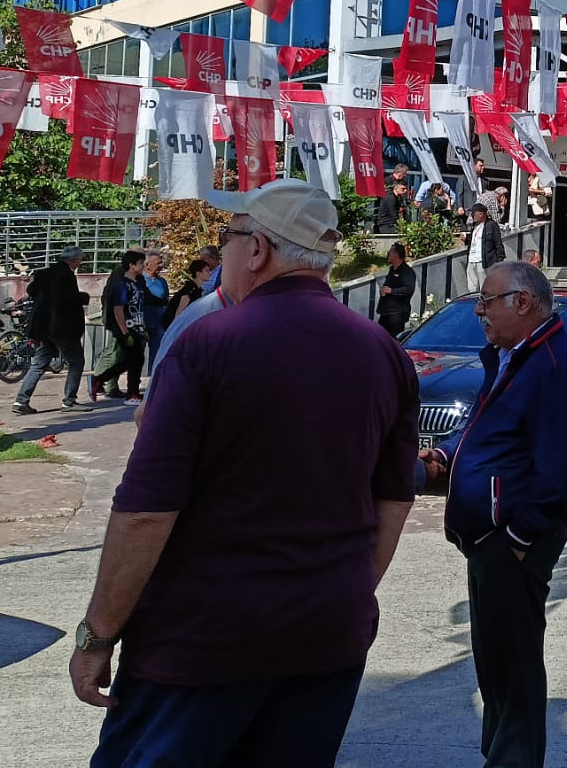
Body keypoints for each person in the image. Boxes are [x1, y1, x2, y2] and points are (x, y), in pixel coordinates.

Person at [71, 180, 416, 766]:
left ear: (257, 250)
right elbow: (394, 500)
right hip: (326, 635)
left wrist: (98, 634)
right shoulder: (383, 350)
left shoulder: (210, 342)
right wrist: (342, 591)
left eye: (227, 238)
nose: (220, 252)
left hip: (202, 645)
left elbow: (147, 510)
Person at [418, 261, 567, 768]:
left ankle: (512, 760)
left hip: (511, 541)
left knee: (513, 666)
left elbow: (558, 473)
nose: (479, 310)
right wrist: (446, 455)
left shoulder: (556, 366)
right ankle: (498, 755)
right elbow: (480, 427)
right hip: (487, 537)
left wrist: (517, 539)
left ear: (523, 303)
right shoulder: (509, 356)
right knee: (493, 660)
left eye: (487, 300)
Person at [15, 247, 90, 413]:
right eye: (79, 260)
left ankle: (21, 401)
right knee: (76, 362)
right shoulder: (66, 275)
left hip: (44, 327)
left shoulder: (44, 273)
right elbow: (69, 299)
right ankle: (69, 401)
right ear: (74, 260)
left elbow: (31, 291)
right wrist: (84, 297)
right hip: (62, 328)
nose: (80, 263)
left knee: (39, 363)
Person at [90, 251, 149, 405]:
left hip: (137, 326)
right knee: (134, 360)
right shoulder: (123, 284)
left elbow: (139, 306)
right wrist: (125, 332)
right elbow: (118, 309)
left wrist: (143, 328)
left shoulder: (138, 282)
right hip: (127, 328)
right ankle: (132, 393)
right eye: (141, 263)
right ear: (131, 265)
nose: (144, 266)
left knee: (132, 361)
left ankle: (100, 380)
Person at [463, 203, 505, 297]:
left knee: (484, 288)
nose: (472, 216)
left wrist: (499, 261)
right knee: (472, 288)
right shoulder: (474, 226)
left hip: (484, 261)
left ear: (481, 214)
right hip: (471, 260)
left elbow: (498, 243)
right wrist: (466, 239)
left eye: (474, 213)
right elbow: (474, 241)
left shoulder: (491, 225)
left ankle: (485, 305)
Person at [139, 252, 171, 375]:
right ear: (147, 264)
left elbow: (166, 300)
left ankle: (155, 375)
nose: (161, 265)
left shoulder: (162, 281)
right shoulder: (140, 279)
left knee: (158, 350)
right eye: (158, 263)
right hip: (143, 321)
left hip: (159, 322)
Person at [377, 242, 416, 338]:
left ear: (396, 255)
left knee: (394, 340)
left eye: (390, 253)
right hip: (386, 312)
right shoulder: (392, 270)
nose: (388, 255)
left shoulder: (406, 272)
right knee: (380, 337)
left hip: (397, 314)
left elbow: (409, 289)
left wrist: (392, 291)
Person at [167, 259, 208, 324]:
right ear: (198, 274)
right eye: (207, 271)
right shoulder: (190, 290)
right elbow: (179, 313)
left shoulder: (197, 289)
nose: (210, 273)